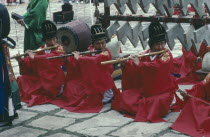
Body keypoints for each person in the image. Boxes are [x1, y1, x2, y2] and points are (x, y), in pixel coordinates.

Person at [112, 22, 182, 122]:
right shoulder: (146, 54)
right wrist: (126, 64)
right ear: (151, 44)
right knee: (123, 97)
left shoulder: (167, 55)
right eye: (157, 44)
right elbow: (136, 69)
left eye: (162, 43)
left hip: (162, 91)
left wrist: (139, 64)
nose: (161, 47)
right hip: (146, 90)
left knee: (155, 104)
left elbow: (157, 67)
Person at [51, 24, 120, 113]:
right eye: (98, 43)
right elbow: (82, 62)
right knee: (72, 87)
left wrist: (80, 58)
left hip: (102, 83)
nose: (101, 46)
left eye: (103, 43)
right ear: (93, 43)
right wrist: (69, 59)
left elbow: (95, 61)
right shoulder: (90, 49)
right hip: (91, 81)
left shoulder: (106, 53)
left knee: (93, 98)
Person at [15, 20, 66, 107]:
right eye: (50, 40)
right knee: (22, 79)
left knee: (40, 88)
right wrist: (21, 61)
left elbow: (52, 57)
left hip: (54, 78)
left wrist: (35, 57)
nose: (53, 42)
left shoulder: (60, 48)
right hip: (42, 77)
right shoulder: (41, 49)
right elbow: (30, 63)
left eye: (54, 39)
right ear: (45, 40)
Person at [0, 3, 21, 126]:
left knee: (4, 82)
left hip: (1, 51)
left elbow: (4, 32)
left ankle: (6, 114)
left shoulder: (1, 9)